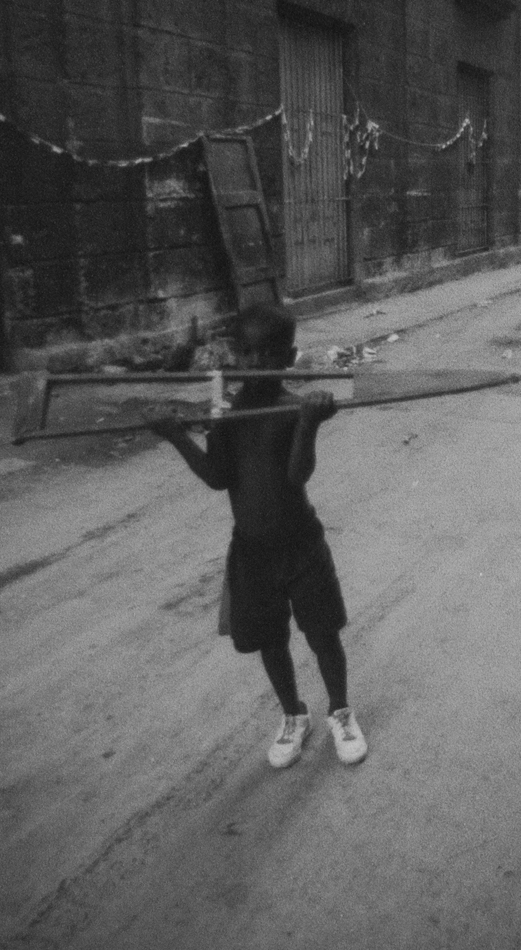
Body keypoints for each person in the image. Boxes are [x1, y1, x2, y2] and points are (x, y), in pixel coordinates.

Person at [148, 304, 367, 770]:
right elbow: (218, 476)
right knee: (270, 639)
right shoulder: (223, 412)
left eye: (266, 352)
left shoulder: (292, 407)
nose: (253, 362)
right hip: (251, 551)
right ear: (234, 355)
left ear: (287, 356)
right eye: (245, 352)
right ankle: (293, 715)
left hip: (301, 544)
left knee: (322, 632)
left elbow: (296, 475)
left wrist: (308, 424)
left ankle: (340, 711)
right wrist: (175, 436)